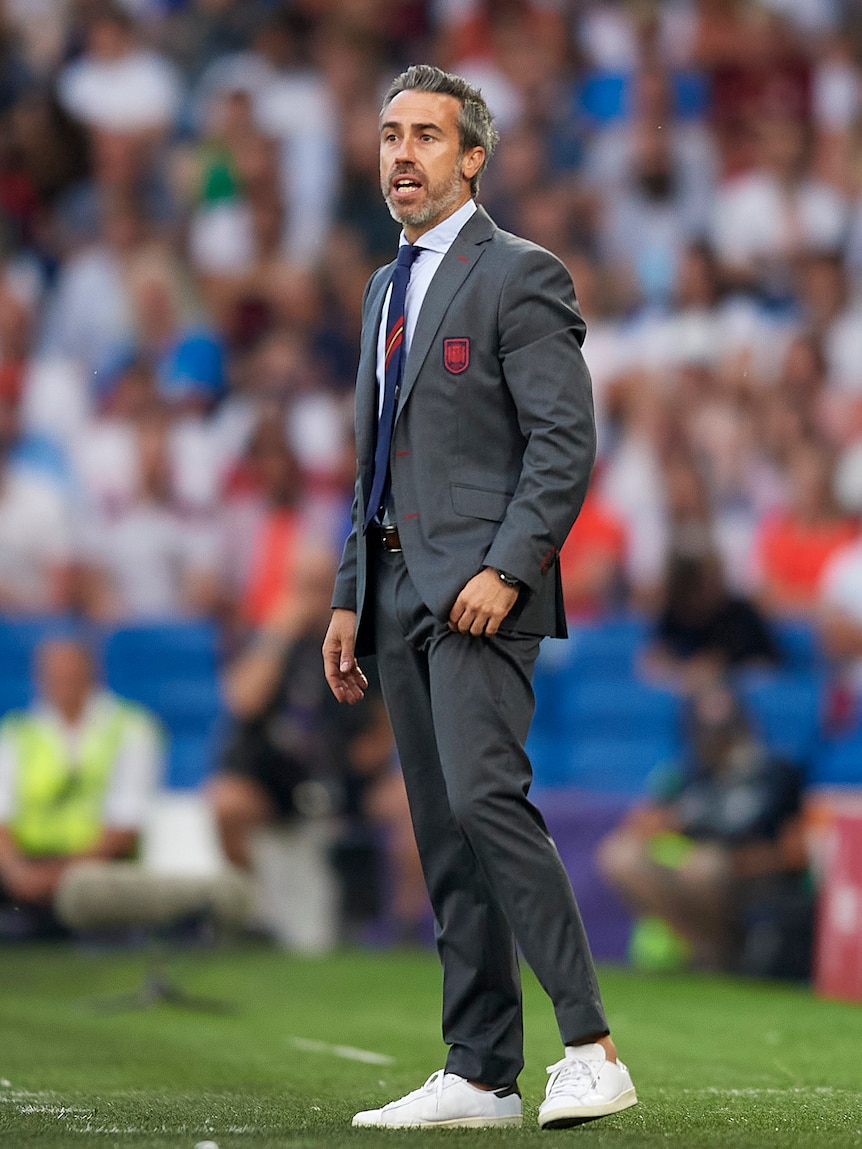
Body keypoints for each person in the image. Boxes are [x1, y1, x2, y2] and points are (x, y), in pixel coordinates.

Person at [322, 64, 637, 1131]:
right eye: (388, 135)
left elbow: (564, 439)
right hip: (393, 583)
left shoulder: (523, 274)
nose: (400, 154)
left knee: (484, 802)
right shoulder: (382, 288)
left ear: (472, 157)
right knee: (440, 829)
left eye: (424, 136)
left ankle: (590, 1046)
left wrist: (507, 568)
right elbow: (369, 464)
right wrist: (345, 594)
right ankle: (479, 1071)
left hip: (480, 590)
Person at [597, 680, 812, 979]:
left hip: (752, 878)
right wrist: (662, 823)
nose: (718, 742)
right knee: (620, 854)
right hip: (692, 874)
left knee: (703, 865)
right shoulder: (688, 774)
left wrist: (741, 862)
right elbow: (642, 823)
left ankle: (725, 953)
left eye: (726, 732)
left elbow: (796, 854)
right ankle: (701, 947)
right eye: (707, 732)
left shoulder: (776, 771)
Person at [0, 636, 161, 938]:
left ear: (93, 673)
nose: (63, 684)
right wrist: (17, 872)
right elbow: (2, 819)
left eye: (71, 674)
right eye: (55, 676)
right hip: (27, 863)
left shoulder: (131, 727)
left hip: (98, 866)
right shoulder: (16, 732)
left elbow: (123, 831)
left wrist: (57, 876)